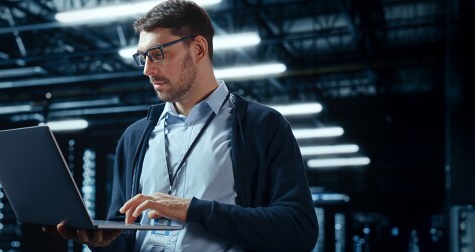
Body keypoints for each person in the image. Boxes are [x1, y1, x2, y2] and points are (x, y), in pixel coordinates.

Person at [44, 0, 318, 251]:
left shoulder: (262, 126)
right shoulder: (135, 137)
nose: (147, 70)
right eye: (143, 57)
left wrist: (192, 209)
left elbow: (298, 229)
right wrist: (100, 242)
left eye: (158, 54)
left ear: (198, 48)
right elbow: (127, 237)